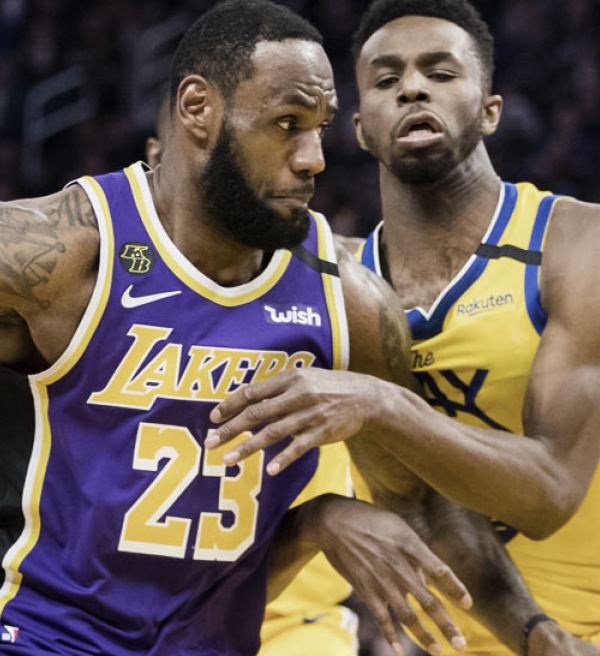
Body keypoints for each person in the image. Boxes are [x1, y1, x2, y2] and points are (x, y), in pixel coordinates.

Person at [0, 1, 477, 654]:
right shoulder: (60, 252)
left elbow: (425, 509)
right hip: (44, 637)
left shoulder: (350, 298)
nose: (314, 158)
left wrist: (542, 638)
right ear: (198, 108)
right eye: (287, 124)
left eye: (320, 128)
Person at [207, 0, 600, 654]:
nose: (412, 88)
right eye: (387, 80)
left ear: (491, 110)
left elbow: (550, 494)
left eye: (440, 73)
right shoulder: (334, 282)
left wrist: (382, 403)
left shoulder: (577, 244)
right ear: (361, 130)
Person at [145, 95, 362, 656]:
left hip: (296, 623)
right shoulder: (101, 289)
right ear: (155, 159)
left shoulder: (340, 282)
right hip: (134, 621)